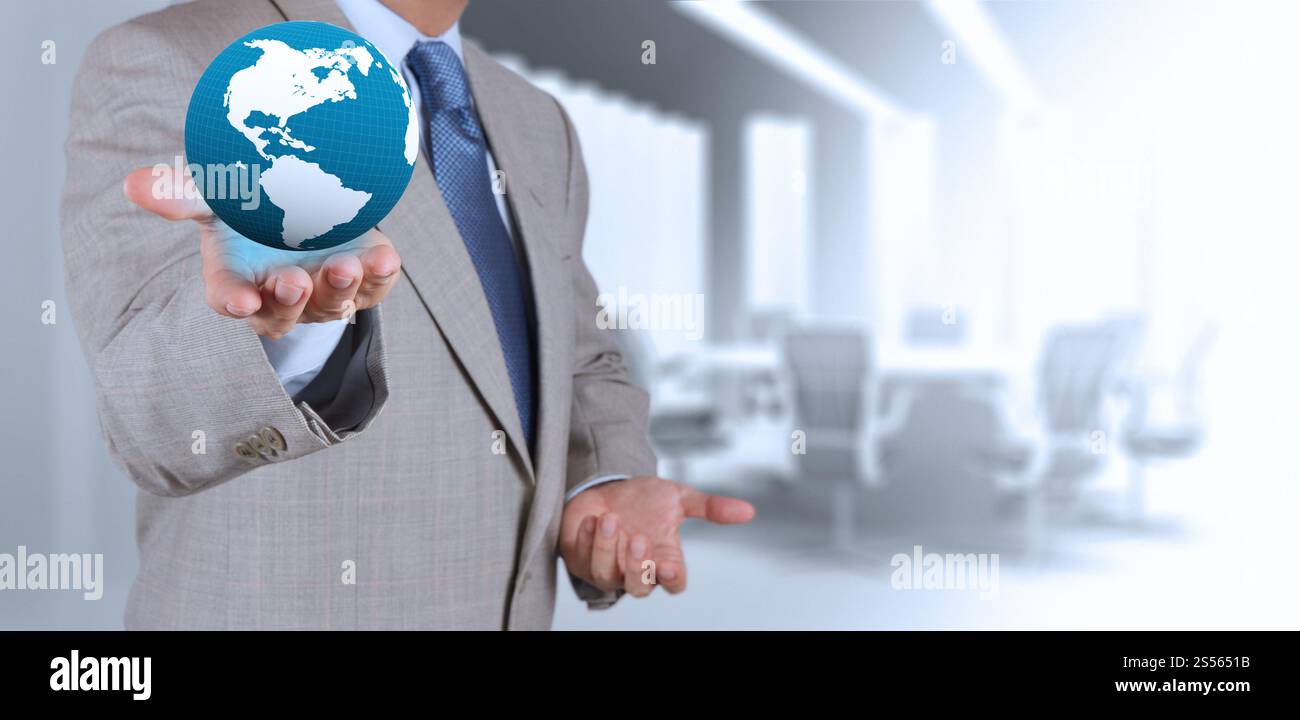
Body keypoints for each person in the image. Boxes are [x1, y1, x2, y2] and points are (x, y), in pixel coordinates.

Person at [60, 0, 754, 630]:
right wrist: (286, 327)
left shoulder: (537, 121)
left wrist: (605, 478)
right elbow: (147, 420)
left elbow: (579, 356)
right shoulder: (185, 59)